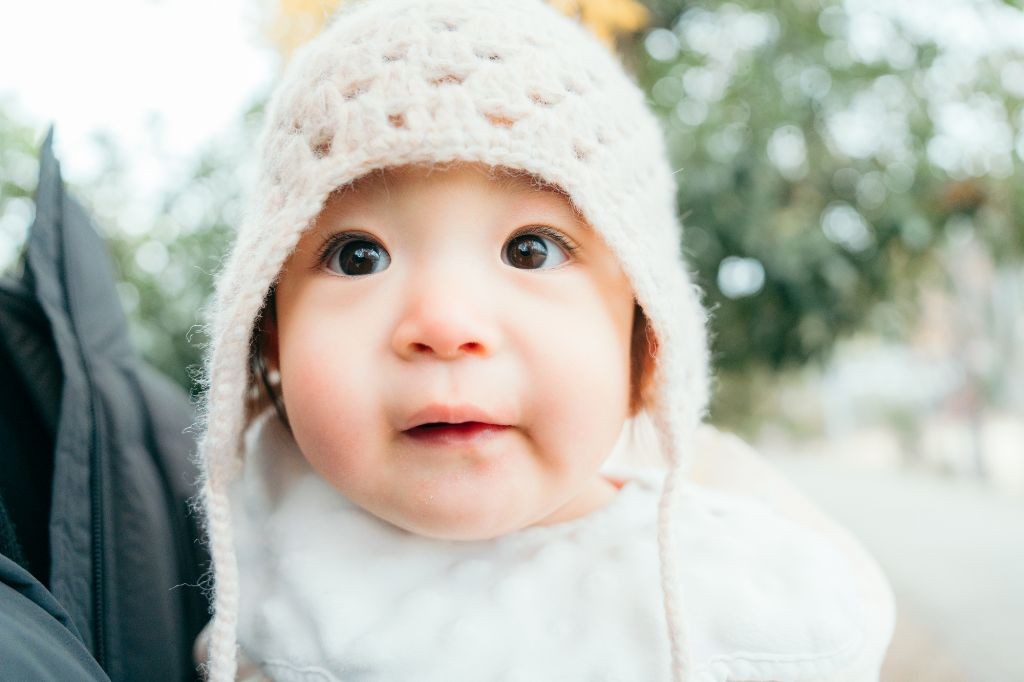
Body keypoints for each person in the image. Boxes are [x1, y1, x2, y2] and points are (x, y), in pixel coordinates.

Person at [193, 1, 895, 680]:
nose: (444, 325)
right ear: (268, 340)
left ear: (645, 341)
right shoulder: (258, 543)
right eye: (357, 256)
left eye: (530, 250)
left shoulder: (737, 596)